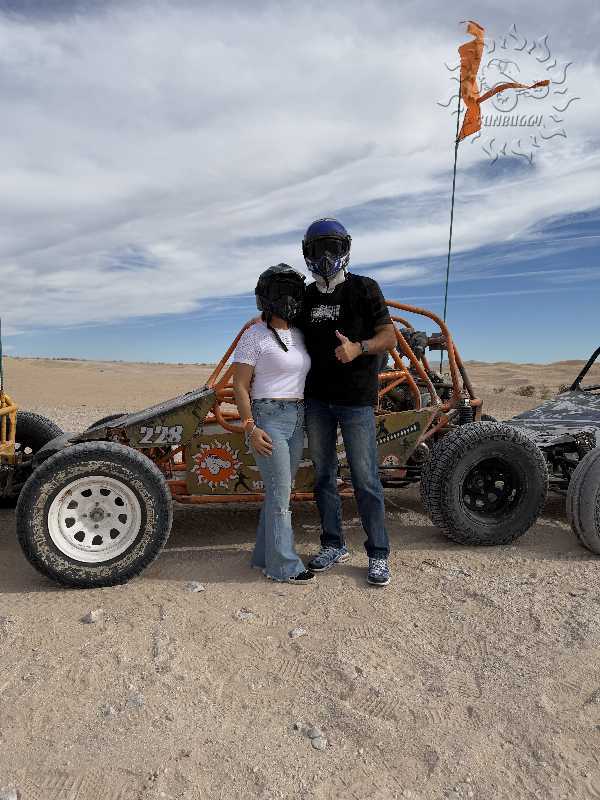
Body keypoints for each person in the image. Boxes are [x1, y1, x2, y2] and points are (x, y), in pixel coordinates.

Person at [299, 218, 397, 586]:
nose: (326, 256)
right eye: (318, 248)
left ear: (346, 249)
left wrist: (359, 347)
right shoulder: (306, 297)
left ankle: (378, 553)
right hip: (317, 400)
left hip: (355, 400)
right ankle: (333, 544)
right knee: (324, 476)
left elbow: (389, 336)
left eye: (333, 247)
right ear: (307, 253)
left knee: (365, 478)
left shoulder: (364, 288)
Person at [233, 264, 314, 584]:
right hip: (268, 418)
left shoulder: (300, 335)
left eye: (294, 291)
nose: (290, 298)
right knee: (281, 496)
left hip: (297, 416)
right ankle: (284, 566)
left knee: (280, 492)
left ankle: (263, 556)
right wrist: (250, 427)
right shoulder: (254, 336)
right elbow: (240, 386)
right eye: (284, 292)